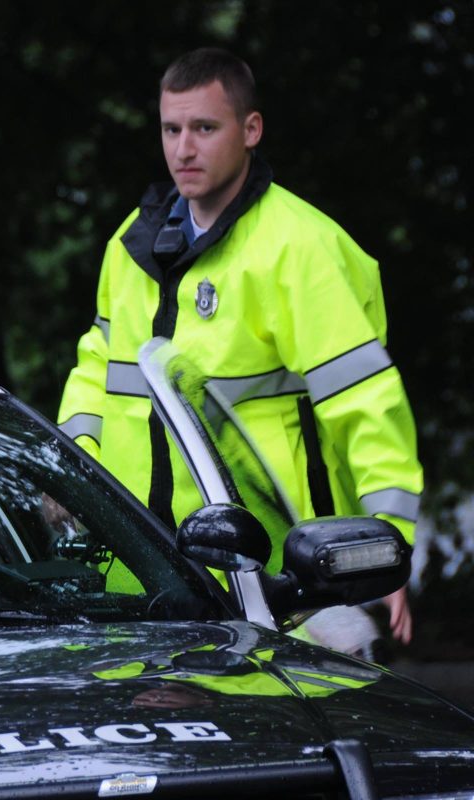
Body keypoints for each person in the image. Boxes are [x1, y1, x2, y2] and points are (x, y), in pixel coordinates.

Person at [57, 47, 423, 645]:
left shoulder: (298, 248)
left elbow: (365, 398)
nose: (183, 148)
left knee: (297, 735)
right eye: (171, 129)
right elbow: (97, 365)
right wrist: (73, 467)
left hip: (285, 583)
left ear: (250, 130)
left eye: (204, 127)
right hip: (142, 580)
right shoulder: (132, 244)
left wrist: (386, 542)